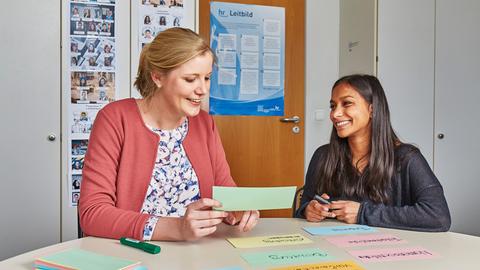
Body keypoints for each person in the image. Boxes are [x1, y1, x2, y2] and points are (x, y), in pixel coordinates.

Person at [79, 27, 259, 241]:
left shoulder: (204, 123)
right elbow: (93, 214)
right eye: (191, 79)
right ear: (157, 77)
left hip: (197, 253)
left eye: (207, 78)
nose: (202, 89)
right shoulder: (115, 118)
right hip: (135, 252)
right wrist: (176, 229)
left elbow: (225, 191)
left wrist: (240, 209)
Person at [295, 74, 451, 232]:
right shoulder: (323, 156)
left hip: (389, 252)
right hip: (335, 250)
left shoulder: (407, 158)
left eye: (347, 103)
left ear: (372, 109)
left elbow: (438, 216)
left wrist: (363, 213)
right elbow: (303, 208)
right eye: (333, 106)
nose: (335, 114)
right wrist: (309, 210)